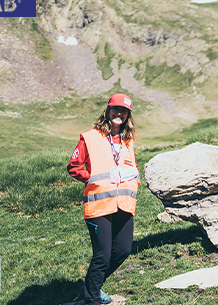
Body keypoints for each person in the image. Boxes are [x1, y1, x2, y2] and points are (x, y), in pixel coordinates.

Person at [67, 93, 140, 305]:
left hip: (123, 203)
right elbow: (73, 166)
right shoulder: (90, 137)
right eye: (115, 110)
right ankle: (91, 299)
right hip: (99, 204)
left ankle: (91, 286)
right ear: (107, 111)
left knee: (124, 250)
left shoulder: (128, 140)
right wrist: (90, 178)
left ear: (128, 115)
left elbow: (130, 166)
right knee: (102, 255)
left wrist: (134, 178)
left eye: (124, 111)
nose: (119, 114)